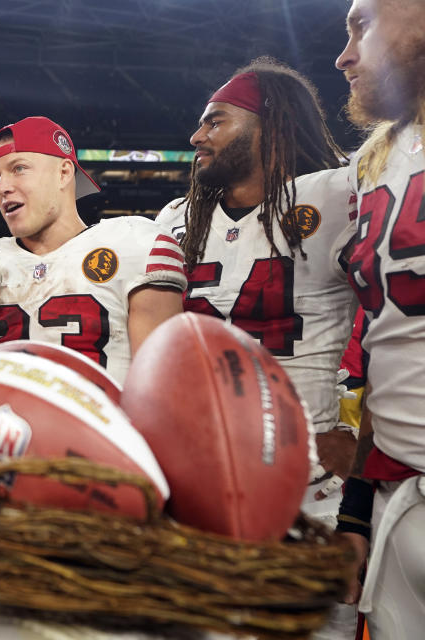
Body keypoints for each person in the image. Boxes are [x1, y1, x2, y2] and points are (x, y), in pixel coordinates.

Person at [155, 58, 359, 524]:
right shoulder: (175, 218)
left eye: (216, 121)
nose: (197, 137)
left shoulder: (337, 196)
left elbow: (403, 324)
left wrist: (369, 439)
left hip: (309, 487)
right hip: (194, 476)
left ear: (271, 124)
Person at [0, 116, 185, 384]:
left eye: (19, 168)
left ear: (64, 173)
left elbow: (161, 386)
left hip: (107, 422)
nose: (3, 187)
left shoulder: (133, 241)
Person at [334, 0, 425, 635]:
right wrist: (358, 510)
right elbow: (381, 347)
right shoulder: (373, 163)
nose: (344, 57)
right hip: (398, 500)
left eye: (361, 24)